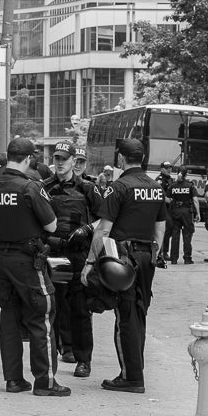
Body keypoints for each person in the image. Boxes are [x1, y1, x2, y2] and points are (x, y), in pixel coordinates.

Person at [0, 137, 68, 396]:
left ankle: (13, 380)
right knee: (42, 316)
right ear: (29, 159)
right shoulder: (30, 188)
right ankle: (46, 381)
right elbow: (52, 226)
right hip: (27, 261)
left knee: (9, 319)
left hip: (0, 260)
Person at [81, 138, 166, 394]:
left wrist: (90, 262)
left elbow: (103, 230)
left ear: (120, 159)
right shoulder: (156, 187)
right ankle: (134, 372)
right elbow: (160, 228)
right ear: (141, 157)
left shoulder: (119, 187)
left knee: (126, 315)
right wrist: (154, 253)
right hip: (146, 255)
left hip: (123, 257)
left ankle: (131, 377)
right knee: (139, 313)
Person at [42, 140, 101, 379]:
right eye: (56, 158)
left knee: (80, 308)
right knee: (54, 306)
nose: (59, 163)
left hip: (79, 255)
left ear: (73, 162)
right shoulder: (44, 187)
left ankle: (83, 359)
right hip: (55, 254)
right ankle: (54, 354)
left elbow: (105, 218)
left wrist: (87, 230)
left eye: (63, 159)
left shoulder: (87, 188)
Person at [167, 167, 200, 265]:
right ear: (186, 175)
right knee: (187, 235)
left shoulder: (172, 186)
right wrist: (198, 213)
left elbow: (166, 198)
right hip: (187, 213)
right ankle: (187, 258)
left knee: (175, 235)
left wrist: (171, 202)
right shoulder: (190, 186)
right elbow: (195, 200)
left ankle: (173, 259)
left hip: (175, 212)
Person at [155, 161, 174, 262]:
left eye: (170, 168)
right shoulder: (160, 180)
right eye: (167, 168)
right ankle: (161, 252)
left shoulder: (170, 179)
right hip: (162, 207)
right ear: (162, 169)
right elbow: (157, 192)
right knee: (164, 229)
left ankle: (165, 251)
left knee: (170, 228)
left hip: (170, 208)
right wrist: (165, 198)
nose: (169, 170)